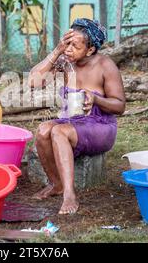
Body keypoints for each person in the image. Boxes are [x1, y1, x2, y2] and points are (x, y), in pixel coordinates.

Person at [28, 18, 126, 215]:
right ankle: (56, 185)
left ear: (90, 50)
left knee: (58, 132)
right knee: (43, 130)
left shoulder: (105, 65)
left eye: (75, 45)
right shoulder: (65, 62)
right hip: (72, 121)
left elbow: (120, 106)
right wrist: (56, 51)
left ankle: (70, 194)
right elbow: (33, 82)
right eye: (67, 43)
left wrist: (97, 100)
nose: (69, 49)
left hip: (101, 124)